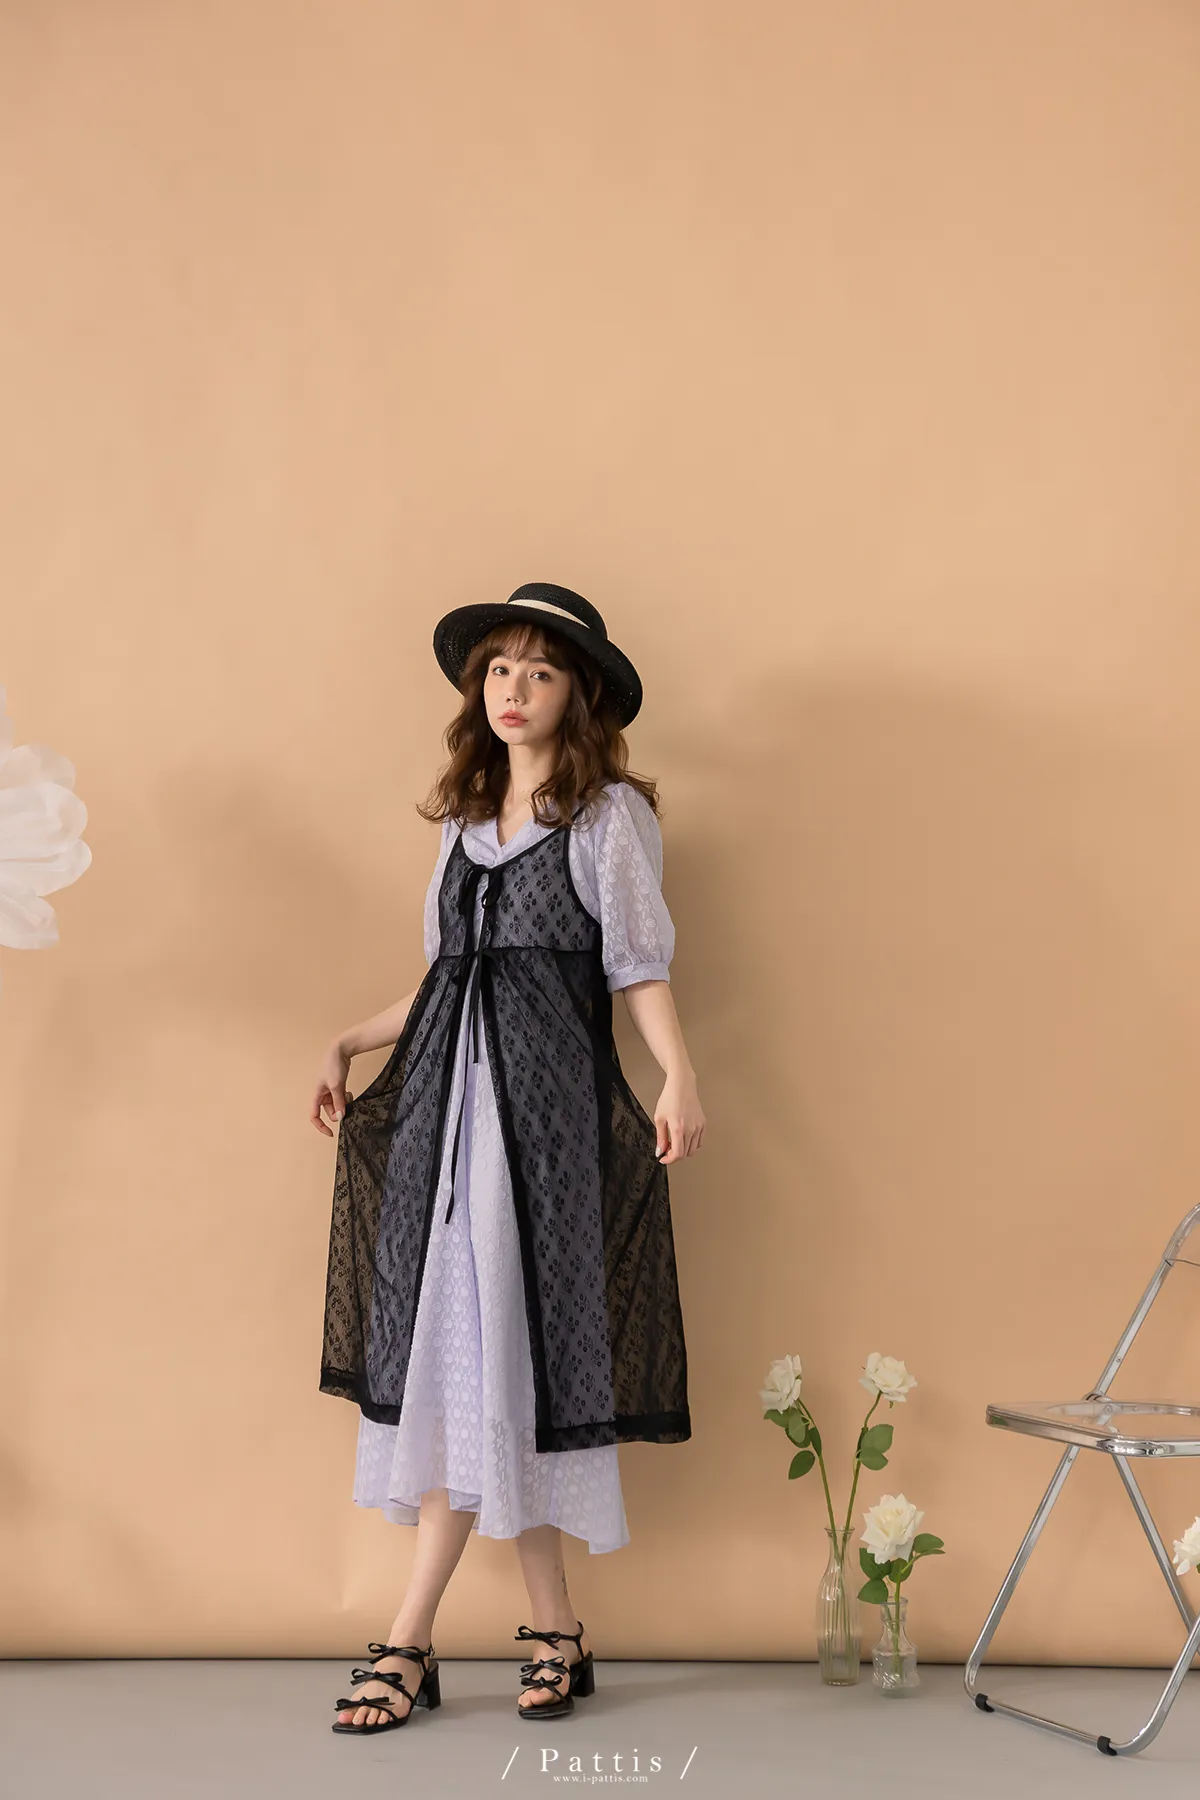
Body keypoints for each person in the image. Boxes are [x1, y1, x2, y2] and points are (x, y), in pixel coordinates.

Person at [311, 581, 704, 1733]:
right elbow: (448, 979)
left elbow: (635, 964)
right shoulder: (460, 822)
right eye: (499, 668)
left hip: (539, 1140)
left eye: (539, 670)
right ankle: (556, 1629)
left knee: (493, 1358)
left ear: (578, 693)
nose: (514, 688)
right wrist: (348, 1037)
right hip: (443, 1131)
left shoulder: (606, 818)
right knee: (481, 1371)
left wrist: (679, 1075)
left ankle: (408, 1640)